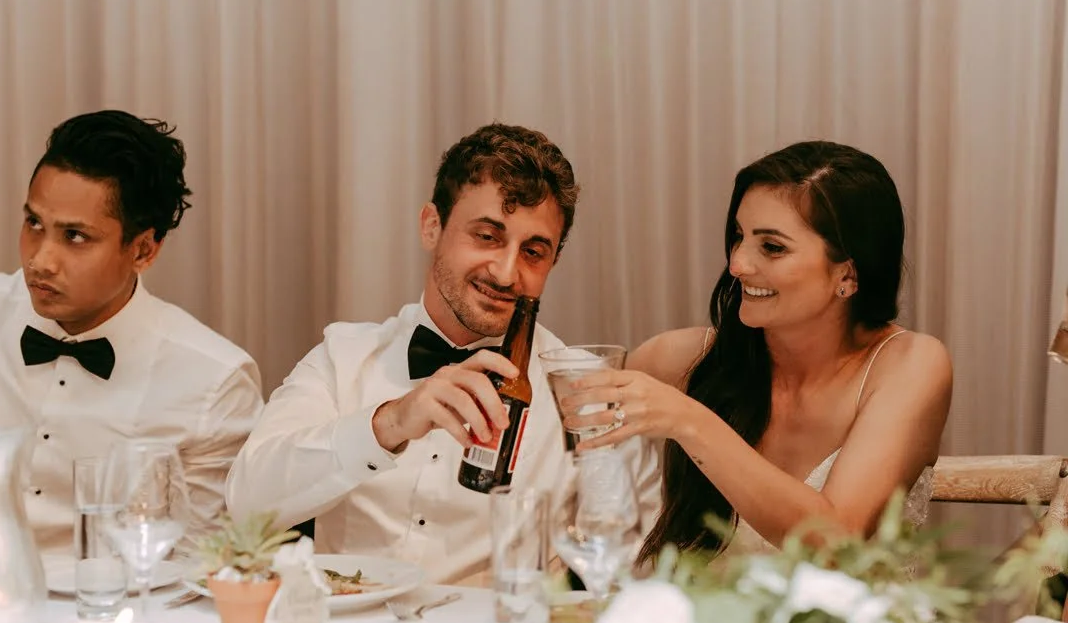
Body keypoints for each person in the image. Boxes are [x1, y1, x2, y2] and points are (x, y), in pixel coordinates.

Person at [225, 122, 661, 585]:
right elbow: (246, 504)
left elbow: (634, 568)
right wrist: (388, 423)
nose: (506, 272)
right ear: (432, 226)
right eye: (487, 236)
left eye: (533, 252)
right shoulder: (342, 358)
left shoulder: (589, 393)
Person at [558, 140, 952, 561]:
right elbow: (550, 431)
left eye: (772, 247)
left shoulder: (910, 366)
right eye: (739, 236)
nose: (737, 265)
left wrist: (688, 421)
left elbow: (836, 541)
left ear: (848, 275)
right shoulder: (682, 359)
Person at [0, 110, 264, 552]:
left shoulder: (213, 383)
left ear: (143, 250)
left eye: (75, 236)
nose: (41, 260)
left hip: (117, 595)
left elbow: (196, 565)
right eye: (34, 223)